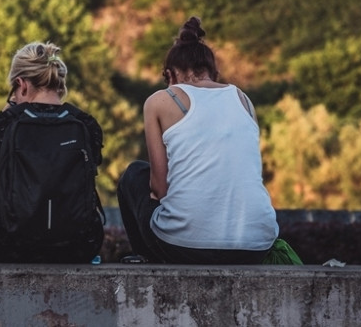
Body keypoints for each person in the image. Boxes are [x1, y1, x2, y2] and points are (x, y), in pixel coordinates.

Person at [117, 16, 279, 264]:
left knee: (135, 174)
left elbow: (159, 188)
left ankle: (146, 260)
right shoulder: (243, 99)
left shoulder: (160, 100)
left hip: (184, 246)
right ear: (214, 74)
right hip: (256, 245)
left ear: (170, 75)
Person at [0, 41, 104, 263]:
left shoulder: (4, 124)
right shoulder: (86, 124)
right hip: (76, 247)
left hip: (9, 248)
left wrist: (9, 110)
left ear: (21, 85)